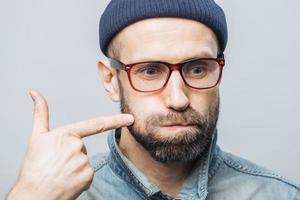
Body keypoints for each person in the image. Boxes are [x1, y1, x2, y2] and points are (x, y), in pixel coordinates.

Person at [6, 0, 300, 199]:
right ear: (111, 80)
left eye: (197, 68)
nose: (178, 98)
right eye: (149, 71)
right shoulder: (59, 195)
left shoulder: (278, 195)